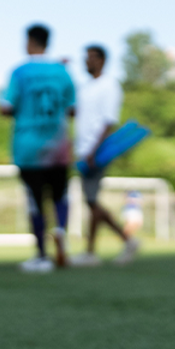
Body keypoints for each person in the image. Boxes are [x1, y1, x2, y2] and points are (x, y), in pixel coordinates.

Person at [0, 24, 75, 274]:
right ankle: (61, 230)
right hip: (58, 143)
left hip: (28, 145)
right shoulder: (62, 72)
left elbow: (5, 107)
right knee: (60, 195)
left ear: (29, 42)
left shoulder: (20, 72)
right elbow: (72, 108)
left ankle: (42, 255)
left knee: (35, 200)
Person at [71, 45, 140, 266]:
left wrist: (93, 151)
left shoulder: (109, 85)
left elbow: (108, 121)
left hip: (96, 152)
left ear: (101, 60)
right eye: (85, 58)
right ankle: (91, 251)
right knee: (91, 201)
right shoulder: (85, 87)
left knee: (91, 200)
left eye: (90, 58)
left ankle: (127, 239)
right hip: (83, 150)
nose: (86, 62)